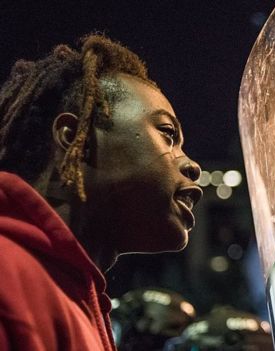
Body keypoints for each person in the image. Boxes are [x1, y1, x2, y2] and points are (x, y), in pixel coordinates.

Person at [0, 34, 203, 350]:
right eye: (167, 135)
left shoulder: (80, 302)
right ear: (74, 138)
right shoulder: (8, 272)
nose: (191, 165)